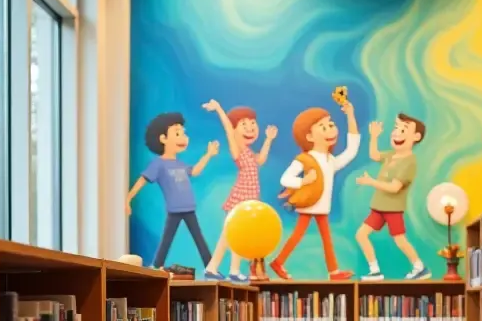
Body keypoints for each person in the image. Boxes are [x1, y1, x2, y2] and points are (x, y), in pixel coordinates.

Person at [271, 96, 361, 281]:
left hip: (321, 207)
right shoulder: (305, 158)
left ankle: (333, 272)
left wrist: (350, 116)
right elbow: (286, 178)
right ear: (309, 136)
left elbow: (351, 151)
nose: (331, 129)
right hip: (309, 204)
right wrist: (304, 181)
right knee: (299, 235)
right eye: (323, 127)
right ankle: (278, 262)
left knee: (326, 239)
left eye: (331, 124)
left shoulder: (330, 160)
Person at [126, 112, 219, 270]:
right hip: (175, 210)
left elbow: (195, 171)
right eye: (177, 133)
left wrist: (208, 155)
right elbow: (142, 180)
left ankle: (210, 267)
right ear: (163, 139)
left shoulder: (179, 163)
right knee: (167, 239)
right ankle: (156, 266)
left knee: (199, 239)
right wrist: (128, 200)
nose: (183, 138)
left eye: (183, 133)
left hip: (189, 208)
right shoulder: (158, 164)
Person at [201, 99, 277, 282]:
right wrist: (219, 108)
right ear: (235, 130)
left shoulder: (250, 153)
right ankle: (222, 269)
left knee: (234, 236)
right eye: (244, 124)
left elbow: (261, 160)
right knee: (231, 236)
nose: (250, 128)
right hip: (240, 199)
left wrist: (268, 139)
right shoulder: (238, 149)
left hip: (249, 199)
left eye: (252, 123)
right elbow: (228, 128)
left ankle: (221, 269)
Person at [355, 114, 429, 280]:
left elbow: (395, 187)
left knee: (400, 240)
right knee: (361, 234)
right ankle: (375, 270)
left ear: (416, 137)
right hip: (378, 207)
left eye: (403, 130)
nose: (397, 133)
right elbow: (374, 155)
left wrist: (371, 182)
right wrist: (374, 137)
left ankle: (420, 267)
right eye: (396, 128)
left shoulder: (409, 162)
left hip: (393, 209)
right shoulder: (391, 155)